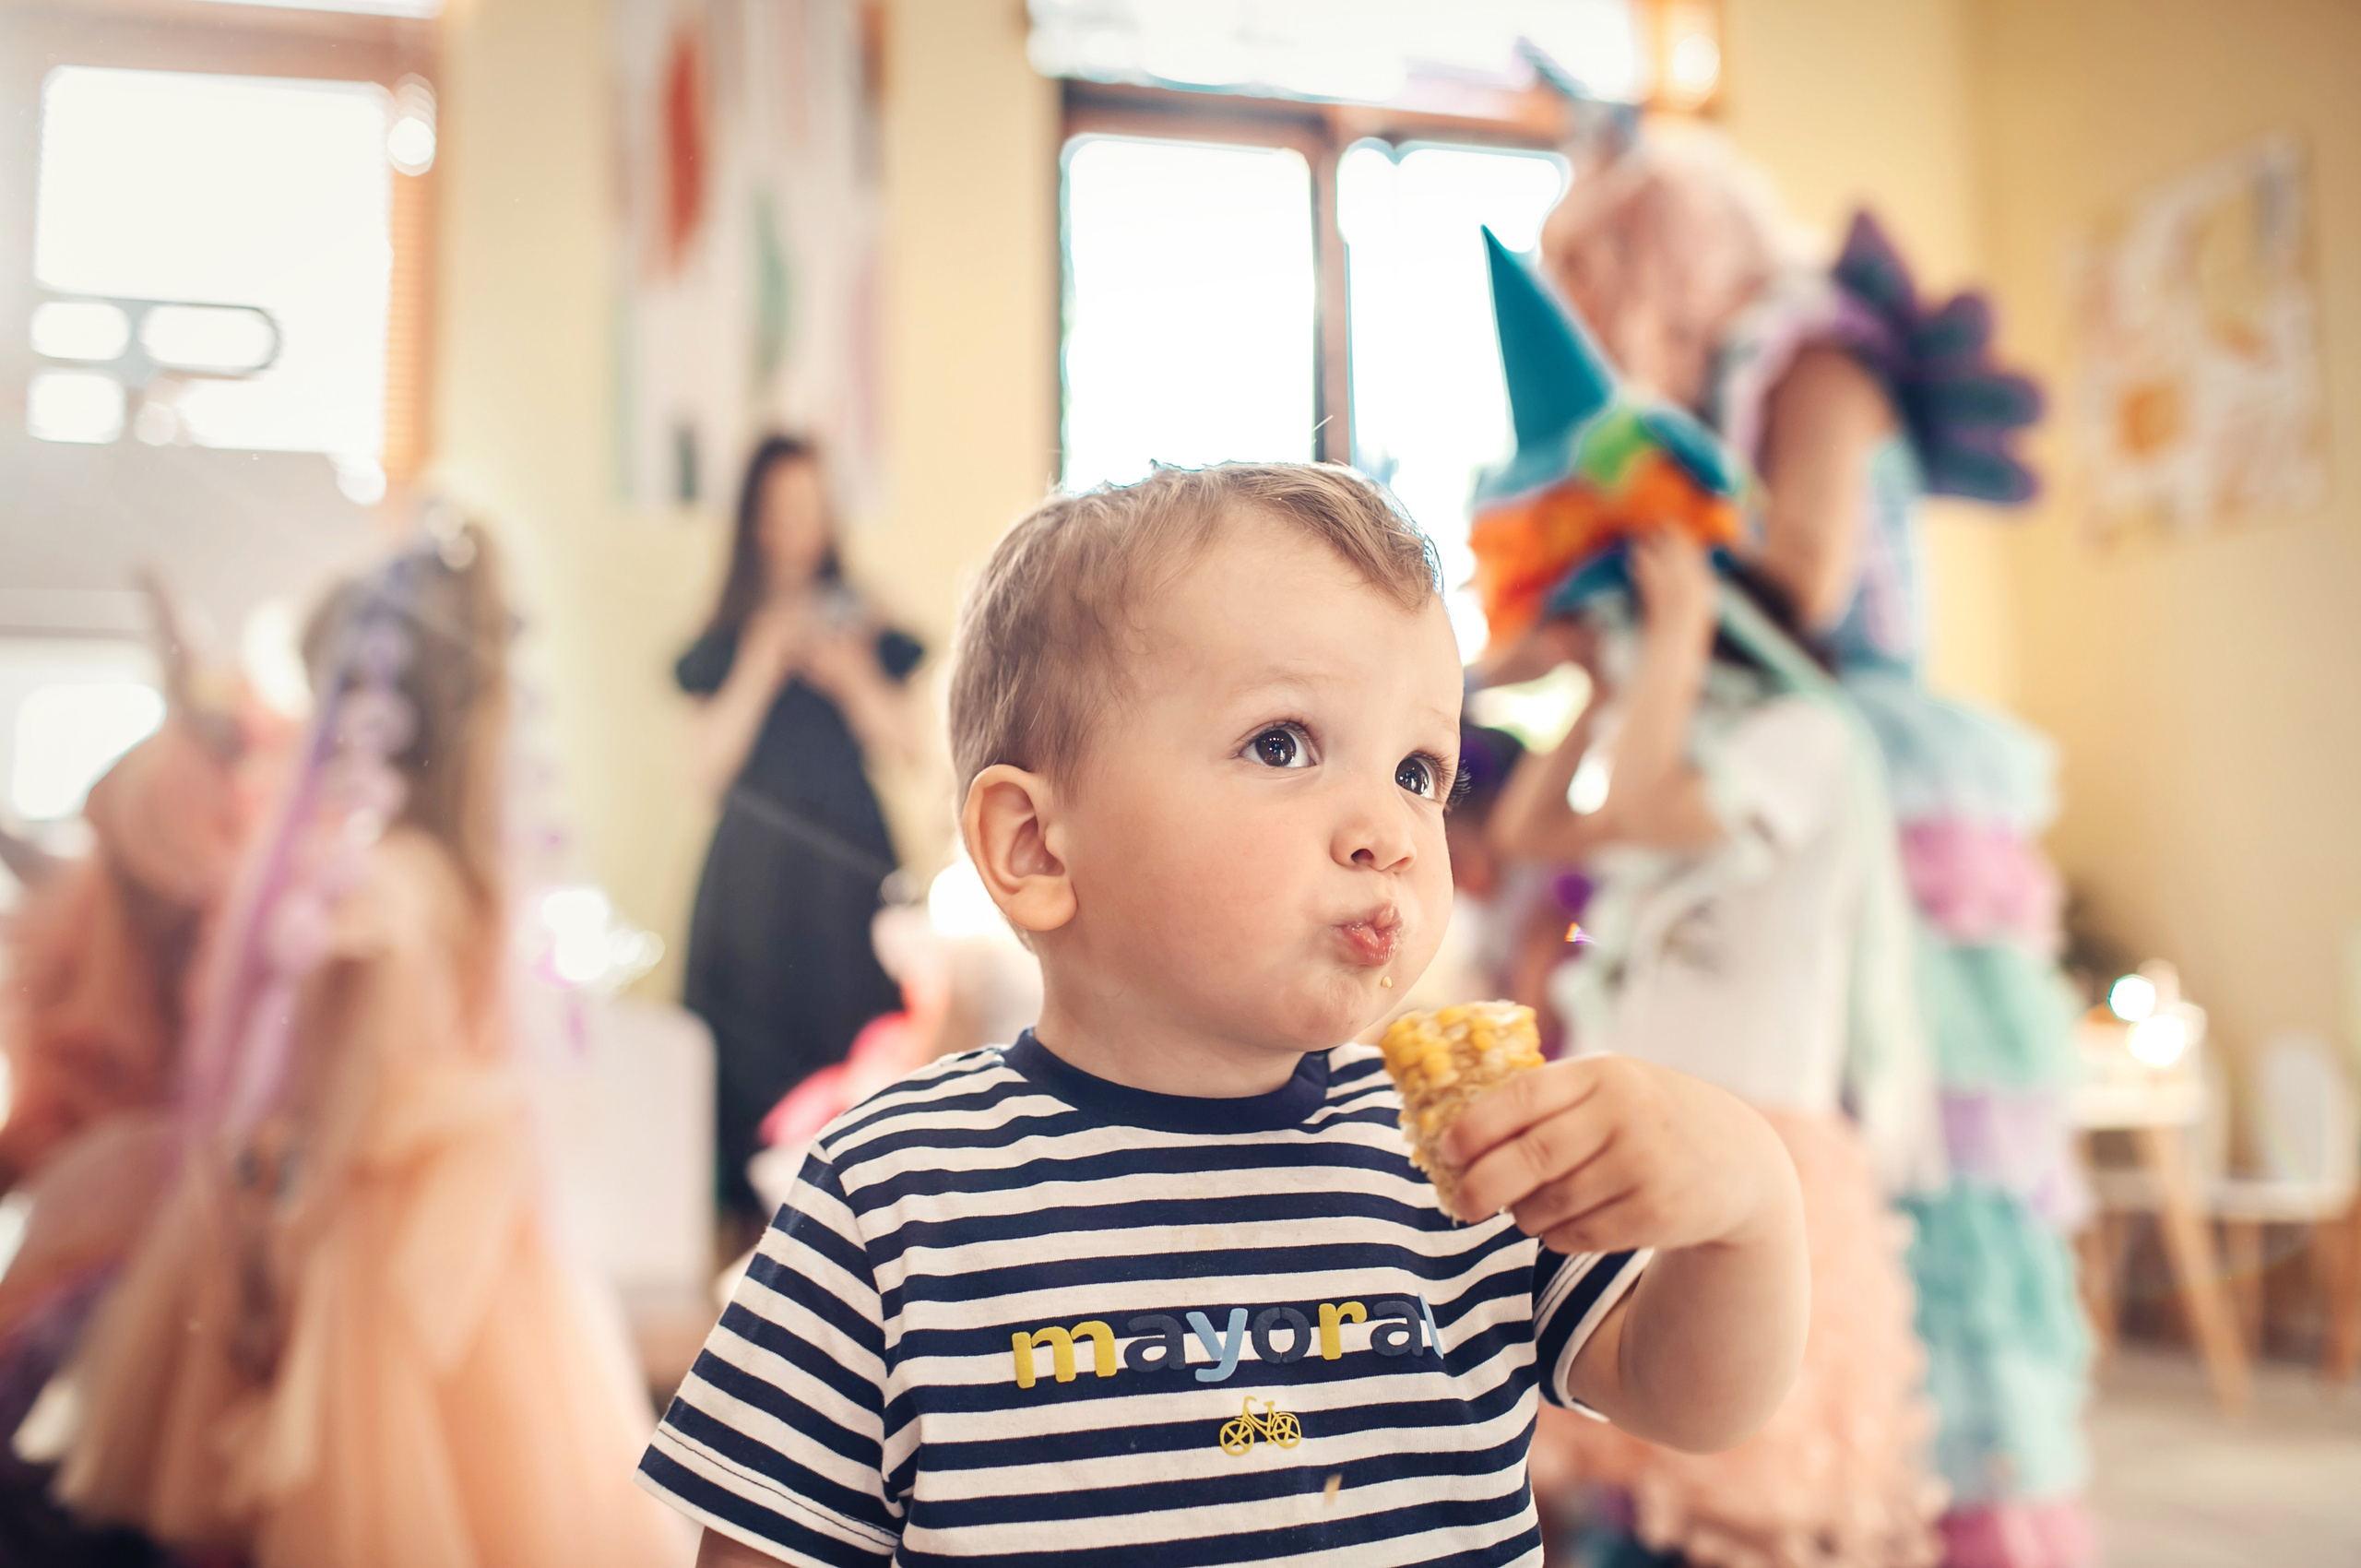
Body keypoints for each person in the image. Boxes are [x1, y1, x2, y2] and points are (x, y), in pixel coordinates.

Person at [640, 460, 1810, 1567]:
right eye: (1284, 742)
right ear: (1037, 845)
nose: (1392, 829)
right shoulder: (888, 1197)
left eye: (1419, 771)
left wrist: (1747, 1201)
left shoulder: (1457, 1166)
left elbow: (1691, 1396)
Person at [1542, 128, 2091, 1567]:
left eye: (1612, 288)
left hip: (1839, 738)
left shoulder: (1817, 367)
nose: (1604, 330)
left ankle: (1905, 1485)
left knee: (1913, 1151)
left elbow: (1803, 578)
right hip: (1733, 729)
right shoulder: (1714, 396)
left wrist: (1639, 564)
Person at [46, 525, 683, 1568]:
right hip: (482, 1259)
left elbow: (334, 1107)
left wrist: (266, 1249)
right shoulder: (470, 881)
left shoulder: (373, 890)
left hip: (369, 1248)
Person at [677, 434, 924, 1233]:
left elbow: (913, 748)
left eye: (812, 506)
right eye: (782, 508)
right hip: (752, 882)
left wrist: (851, 673)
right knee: (743, 1058)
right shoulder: (724, 635)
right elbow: (704, 770)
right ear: (753, 519)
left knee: (858, 1044)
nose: (798, 525)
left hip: (848, 874)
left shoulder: (868, 617)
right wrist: (761, 657)